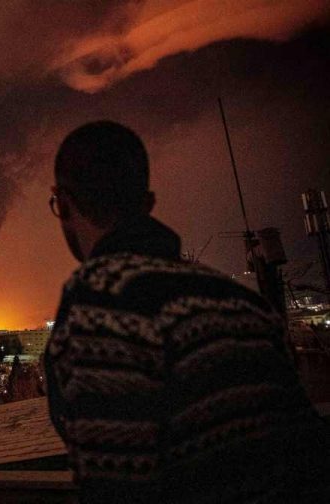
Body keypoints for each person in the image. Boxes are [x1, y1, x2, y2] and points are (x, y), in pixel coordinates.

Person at [43, 121, 330, 502]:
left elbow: (116, 486)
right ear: (148, 204)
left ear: (62, 203)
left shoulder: (100, 304)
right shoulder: (242, 302)